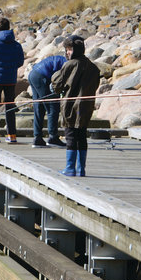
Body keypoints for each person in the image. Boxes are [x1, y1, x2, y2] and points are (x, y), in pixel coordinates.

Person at [50, 35, 100, 177]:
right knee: (82, 136)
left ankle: (70, 168)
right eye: (67, 49)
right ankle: (81, 169)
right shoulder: (93, 67)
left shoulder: (70, 65)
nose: (67, 52)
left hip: (71, 107)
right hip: (86, 107)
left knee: (71, 135)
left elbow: (57, 84)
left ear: (76, 50)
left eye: (70, 49)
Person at [28, 49, 68, 148]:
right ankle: (53, 137)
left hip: (33, 74)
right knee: (53, 107)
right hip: (42, 76)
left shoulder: (62, 60)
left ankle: (37, 138)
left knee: (39, 107)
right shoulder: (68, 64)